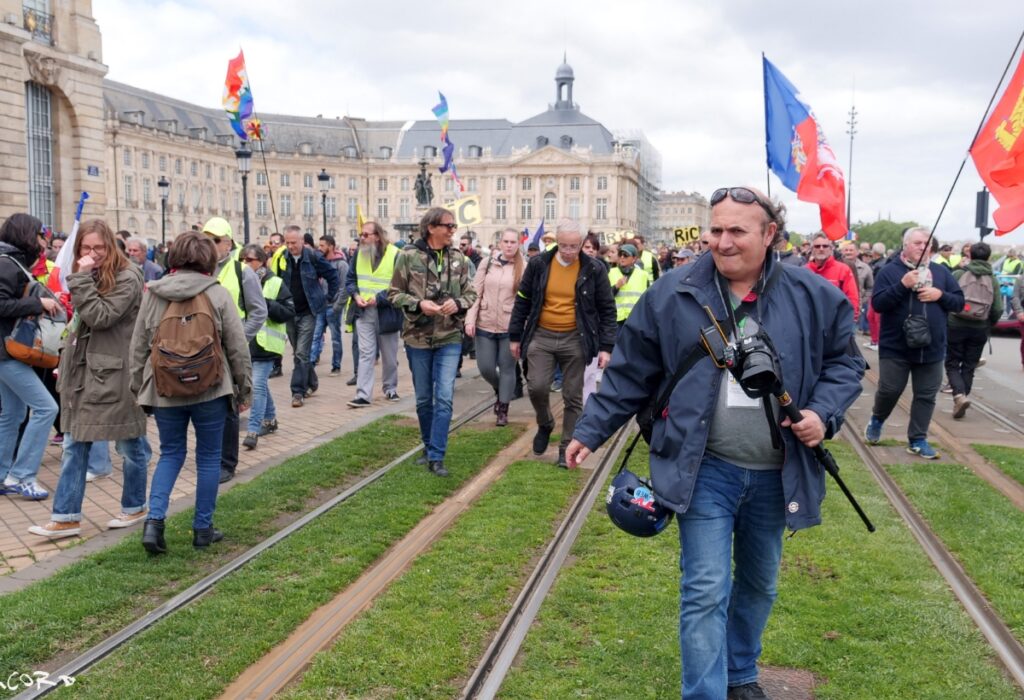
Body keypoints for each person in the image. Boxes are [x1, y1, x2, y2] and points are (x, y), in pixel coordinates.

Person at [566, 186, 864, 700]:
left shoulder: (813, 296)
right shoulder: (673, 292)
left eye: (736, 231)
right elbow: (631, 372)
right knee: (705, 588)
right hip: (703, 467)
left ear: (770, 234)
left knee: (758, 584)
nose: (722, 242)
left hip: (777, 471)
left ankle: (741, 672)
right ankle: (704, 693)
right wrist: (590, 431)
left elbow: (846, 364)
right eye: (716, 230)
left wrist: (823, 413)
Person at [129, 232, 253, 553]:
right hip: (211, 388)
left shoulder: (153, 294)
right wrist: (243, 390)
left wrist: (138, 389)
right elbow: (238, 349)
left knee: (170, 454)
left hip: (164, 391)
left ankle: (154, 524)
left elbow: (138, 349)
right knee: (209, 458)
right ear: (208, 261)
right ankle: (202, 529)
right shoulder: (218, 294)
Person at [29, 220, 151, 538]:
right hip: (84, 374)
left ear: (110, 247)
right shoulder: (91, 275)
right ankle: (66, 516)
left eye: (99, 248)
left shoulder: (128, 276)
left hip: (117, 374)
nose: (92, 254)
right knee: (74, 443)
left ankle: (135, 505)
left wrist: (80, 279)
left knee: (130, 443)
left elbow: (101, 316)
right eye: (86, 248)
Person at [508, 218, 616, 468]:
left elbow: (607, 309)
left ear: (582, 244)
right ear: (556, 242)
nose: (569, 251)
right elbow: (522, 301)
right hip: (542, 335)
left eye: (574, 246)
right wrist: (515, 336)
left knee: (572, 396)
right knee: (536, 386)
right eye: (564, 246)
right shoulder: (538, 264)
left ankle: (566, 447)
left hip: (576, 337)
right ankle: (545, 423)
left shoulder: (594, 269)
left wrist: (606, 347)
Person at [388, 207, 477, 476]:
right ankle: (428, 447)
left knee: (445, 397)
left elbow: (471, 293)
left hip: (449, 336)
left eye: (453, 226)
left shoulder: (458, 258)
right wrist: (418, 304)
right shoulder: (407, 256)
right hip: (418, 337)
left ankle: (437, 455)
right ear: (431, 228)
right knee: (424, 398)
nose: (453, 230)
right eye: (448, 226)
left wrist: (458, 303)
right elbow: (393, 294)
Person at [865, 226, 964, 458]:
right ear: (906, 245)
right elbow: (878, 304)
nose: (924, 248)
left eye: (927, 244)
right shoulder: (890, 271)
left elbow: (959, 303)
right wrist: (903, 285)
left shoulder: (941, 273)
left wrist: (941, 295)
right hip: (896, 346)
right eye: (918, 243)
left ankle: (918, 439)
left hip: (932, 346)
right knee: (890, 390)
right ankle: (877, 419)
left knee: (926, 395)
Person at [202, 217, 267, 484]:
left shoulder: (243, 271)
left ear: (227, 243)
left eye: (215, 240)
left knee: (228, 405)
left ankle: (226, 463)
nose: (210, 245)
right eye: (206, 240)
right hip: (201, 349)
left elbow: (258, 312)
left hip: (230, 350)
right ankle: (209, 456)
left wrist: (238, 340)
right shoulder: (197, 270)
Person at [0, 213, 60, 500]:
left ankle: (3, 475)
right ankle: (22, 475)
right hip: (7, 352)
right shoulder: (6, 263)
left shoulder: (9, 261)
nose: (43, 241)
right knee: (47, 408)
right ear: (26, 235)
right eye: (39, 235)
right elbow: (1, 305)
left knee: (12, 414)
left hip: (7, 352)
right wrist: (38, 302)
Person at [465, 228, 525, 427]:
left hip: (509, 326)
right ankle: (502, 390)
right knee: (486, 368)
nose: (509, 245)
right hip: (485, 322)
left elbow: (525, 301)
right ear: (500, 243)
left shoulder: (523, 266)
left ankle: (503, 407)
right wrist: (470, 320)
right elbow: (475, 293)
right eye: (505, 241)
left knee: (507, 368)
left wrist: (521, 327)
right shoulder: (487, 262)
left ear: (518, 244)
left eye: (512, 242)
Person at [276, 225, 340, 408]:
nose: (290, 246)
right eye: (287, 243)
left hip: (309, 312)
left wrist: (328, 298)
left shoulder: (313, 257)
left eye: (293, 243)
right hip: (289, 312)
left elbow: (333, 276)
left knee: (302, 353)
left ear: (302, 241)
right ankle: (312, 382)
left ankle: (298, 391)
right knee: (298, 352)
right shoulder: (282, 258)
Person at [240, 244, 295, 449]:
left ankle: (253, 430)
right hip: (246, 343)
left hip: (266, 345)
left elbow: (289, 311)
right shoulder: (240, 280)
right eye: (243, 259)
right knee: (261, 384)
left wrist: (264, 303)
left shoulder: (275, 282)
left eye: (250, 260)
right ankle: (270, 420)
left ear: (262, 261)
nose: (245, 263)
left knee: (257, 385)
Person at [345, 221, 400, 408]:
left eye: (366, 235)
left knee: (389, 355)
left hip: (387, 313)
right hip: (364, 312)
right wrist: (355, 295)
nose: (362, 238)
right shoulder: (359, 255)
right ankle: (363, 394)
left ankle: (390, 388)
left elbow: (400, 285)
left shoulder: (395, 255)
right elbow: (350, 280)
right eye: (361, 234)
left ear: (377, 236)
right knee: (366, 354)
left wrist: (380, 298)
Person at [945, 242, 1002, 419]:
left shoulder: (959, 273)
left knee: (952, 362)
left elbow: (948, 297)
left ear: (969, 255)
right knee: (969, 366)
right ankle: (962, 398)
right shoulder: (992, 279)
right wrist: (988, 323)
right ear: (989, 258)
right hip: (979, 328)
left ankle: (958, 395)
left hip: (956, 324)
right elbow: (998, 308)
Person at [311, 235, 348, 377]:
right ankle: (311, 365)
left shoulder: (341, 264)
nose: (319, 248)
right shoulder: (319, 262)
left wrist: (337, 306)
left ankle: (336, 365)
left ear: (331, 246)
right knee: (316, 336)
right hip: (321, 305)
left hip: (333, 306)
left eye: (322, 246)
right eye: (319, 245)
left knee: (335, 338)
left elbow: (344, 287)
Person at [841, 241, 873, 333]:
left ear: (857, 252)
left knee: (851, 335)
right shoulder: (836, 265)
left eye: (851, 250)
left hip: (855, 307)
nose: (848, 252)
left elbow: (870, 287)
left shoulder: (865, 268)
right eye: (846, 250)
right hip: (839, 306)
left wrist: (863, 300)